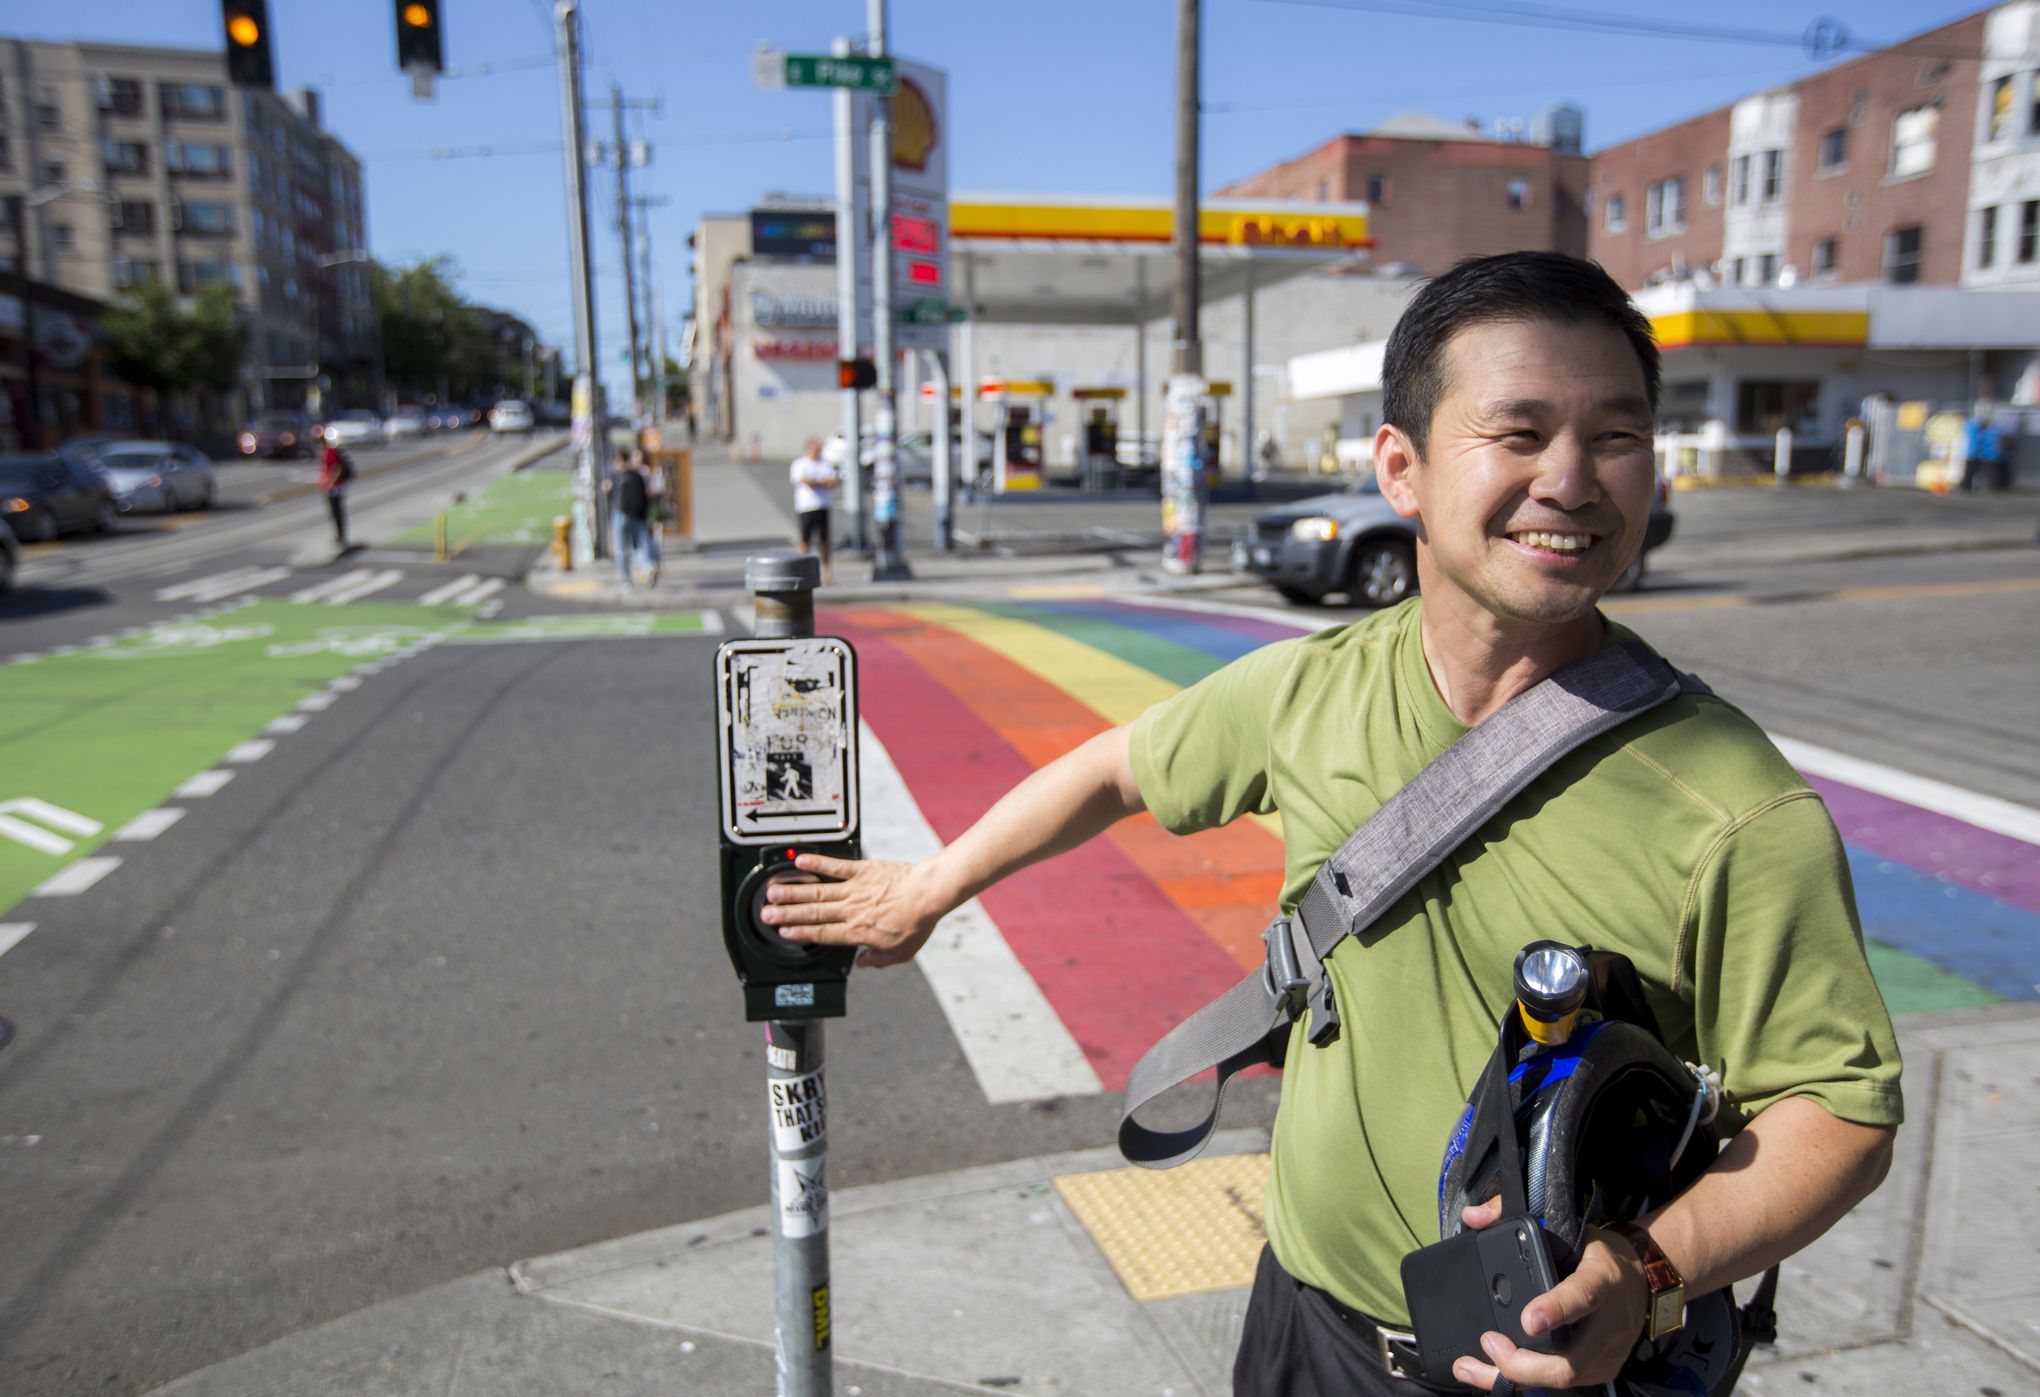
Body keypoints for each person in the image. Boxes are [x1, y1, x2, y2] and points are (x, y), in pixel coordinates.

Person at [757, 252, 1901, 1395]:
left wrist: (1651, 1270)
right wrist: (931, 886)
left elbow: (1839, 1107)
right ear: (1399, 467)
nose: (1573, 478)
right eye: (1518, 432)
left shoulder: (1734, 805)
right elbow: (1119, 767)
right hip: (1302, 1315)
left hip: (1549, 1364)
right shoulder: (1309, 691)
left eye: (1616, 435)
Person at [791, 436, 840, 585]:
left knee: (824, 542)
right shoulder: (800, 464)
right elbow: (804, 481)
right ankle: (801, 571)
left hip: (822, 506)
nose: (816, 451)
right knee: (805, 541)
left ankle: (827, 574)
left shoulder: (825, 464)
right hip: (806, 507)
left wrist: (817, 483)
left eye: (818, 449)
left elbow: (833, 481)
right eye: (814, 448)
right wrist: (821, 483)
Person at [607, 455, 652, 588]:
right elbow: (646, 496)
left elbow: (611, 494)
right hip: (637, 516)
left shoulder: (618, 476)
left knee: (621, 549)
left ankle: (626, 579)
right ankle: (646, 567)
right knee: (639, 545)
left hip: (620, 514)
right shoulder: (638, 475)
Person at [1962, 403, 2007, 492]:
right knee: (1973, 472)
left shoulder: (1990, 429)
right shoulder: (1974, 427)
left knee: (1989, 473)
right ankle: (1969, 486)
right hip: (1978, 454)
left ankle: (1991, 486)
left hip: (1986, 455)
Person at [317, 439, 352, 547]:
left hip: (335, 487)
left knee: (337, 512)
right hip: (334, 486)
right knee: (336, 512)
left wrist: (331, 483)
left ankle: (341, 537)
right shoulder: (327, 450)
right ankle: (340, 536)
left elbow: (337, 468)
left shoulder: (330, 451)